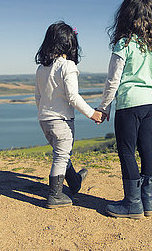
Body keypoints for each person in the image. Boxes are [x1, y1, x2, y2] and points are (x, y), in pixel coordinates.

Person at [97, 0, 152, 219]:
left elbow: (113, 79)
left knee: (126, 151)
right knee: (147, 149)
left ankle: (132, 204)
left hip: (129, 104)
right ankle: (147, 202)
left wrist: (104, 106)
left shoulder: (123, 43)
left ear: (125, 15)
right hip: (150, 103)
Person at [35, 21, 104, 208]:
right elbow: (73, 97)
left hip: (44, 119)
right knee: (61, 155)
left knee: (62, 153)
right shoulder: (68, 66)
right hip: (61, 120)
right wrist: (92, 114)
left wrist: (44, 114)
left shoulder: (41, 69)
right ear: (71, 44)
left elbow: (38, 96)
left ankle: (74, 181)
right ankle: (55, 195)